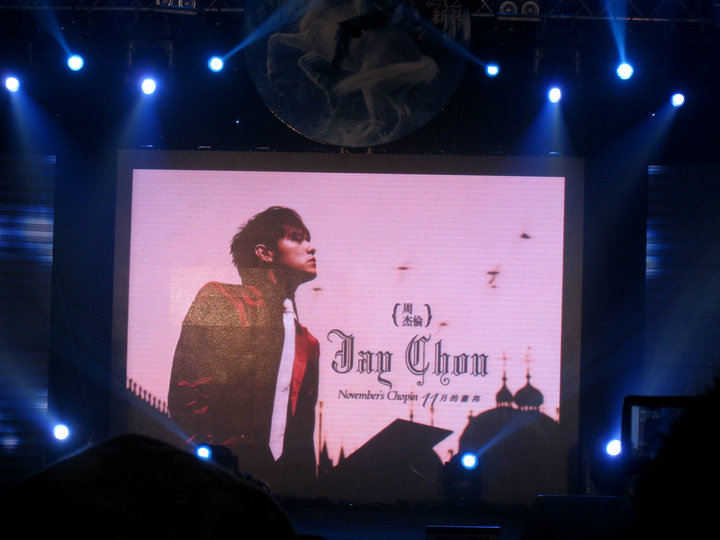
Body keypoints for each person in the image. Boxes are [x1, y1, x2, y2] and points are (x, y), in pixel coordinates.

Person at [168, 206, 319, 496]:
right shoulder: (221, 299)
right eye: (297, 238)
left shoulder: (308, 343)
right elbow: (187, 397)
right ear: (264, 253)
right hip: (220, 482)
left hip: (284, 489)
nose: (310, 247)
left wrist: (308, 495)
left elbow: (303, 432)